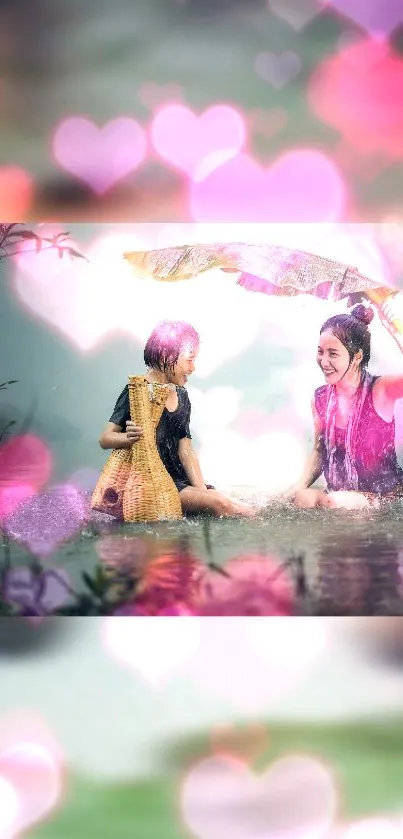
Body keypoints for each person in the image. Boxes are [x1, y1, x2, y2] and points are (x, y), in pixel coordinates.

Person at [98, 320, 256, 518]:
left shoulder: (182, 395)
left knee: (236, 505)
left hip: (180, 481)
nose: (193, 368)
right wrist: (128, 438)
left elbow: (186, 450)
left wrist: (203, 491)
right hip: (155, 485)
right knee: (221, 504)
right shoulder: (138, 391)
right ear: (166, 354)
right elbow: (105, 438)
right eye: (190, 359)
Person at [287, 299, 403, 510]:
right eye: (320, 351)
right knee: (302, 499)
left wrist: (395, 331)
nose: (323, 361)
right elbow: (321, 450)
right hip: (340, 498)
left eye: (333, 354)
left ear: (357, 356)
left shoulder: (381, 390)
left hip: (385, 499)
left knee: (333, 501)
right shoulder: (320, 398)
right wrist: (297, 486)